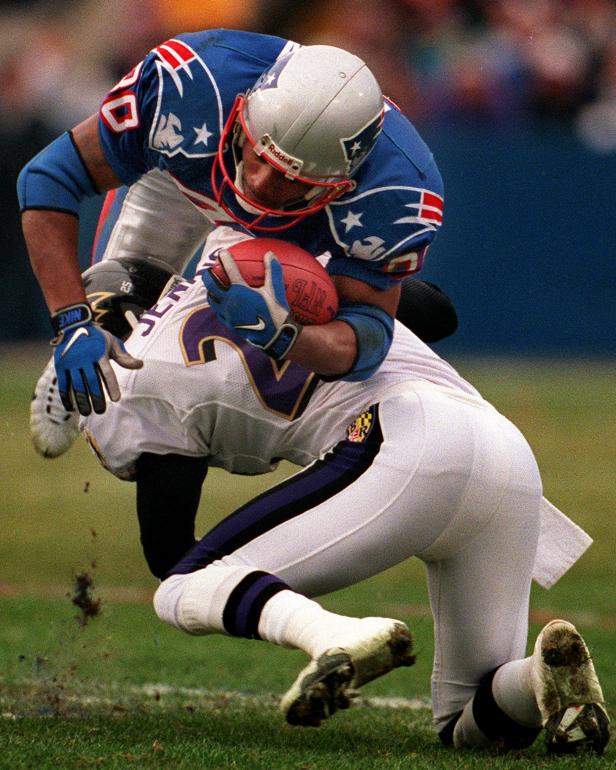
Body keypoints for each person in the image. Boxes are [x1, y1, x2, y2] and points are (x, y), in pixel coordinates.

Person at [78, 231, 609, 755]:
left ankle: (329, 634)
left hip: (404, 442)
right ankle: (540, 679)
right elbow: (439, 313)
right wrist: (321, 290)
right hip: (504, 448)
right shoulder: (250, 253)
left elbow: (168, 548)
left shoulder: (133, 372)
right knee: (463, 721)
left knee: (181, 585)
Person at [18, 28, 444, 457]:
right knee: (114, 299)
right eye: (261, 156)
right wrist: (72, 320)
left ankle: (403, 300)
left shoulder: (397, 189)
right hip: (194, 175)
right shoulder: (192, 81)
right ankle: (66, 364)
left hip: (296, 232)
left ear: (339, 185)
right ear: (243, 111)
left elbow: (366, 341)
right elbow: (49, 177)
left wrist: (288, 336)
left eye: (290, 178)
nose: (259, 184)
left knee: (322, 309)